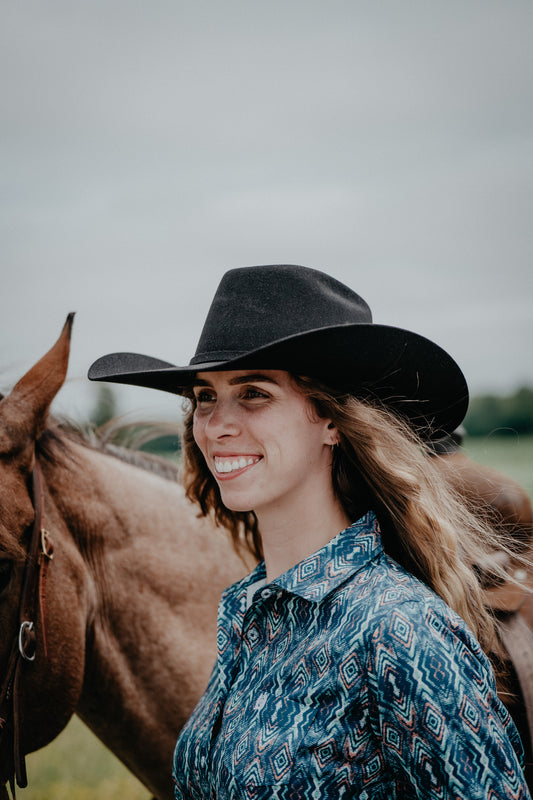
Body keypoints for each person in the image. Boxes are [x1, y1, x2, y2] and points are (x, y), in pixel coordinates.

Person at [89, 264, 531, 799]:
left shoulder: (397, 629)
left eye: (253, 393)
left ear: (330, 420)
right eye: (205, 396)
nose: (216, 424)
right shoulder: (249, 612)